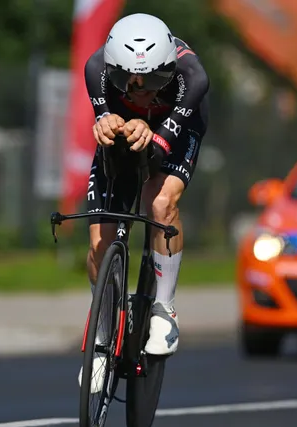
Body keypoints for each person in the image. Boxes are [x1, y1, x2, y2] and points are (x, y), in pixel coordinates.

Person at [78, 13, 210, 392]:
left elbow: (158, 150)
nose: (139, 89)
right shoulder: (96, 68)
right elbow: (109, 122)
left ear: (168, 68)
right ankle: (102, 342)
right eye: (128, 81)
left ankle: (163, 307)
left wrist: (157, 134)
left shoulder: (193, 77)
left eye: (152, 80)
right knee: (99, 240)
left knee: (160, 204)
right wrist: (107, 121)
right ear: (112, 69)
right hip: (127, 125)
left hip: (177, 122)